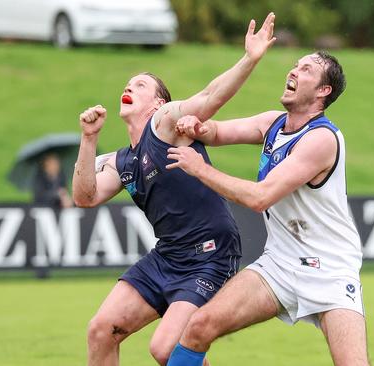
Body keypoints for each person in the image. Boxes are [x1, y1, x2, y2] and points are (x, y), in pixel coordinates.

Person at [72, 13, 276, 366]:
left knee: (166, 348)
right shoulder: (123, 161)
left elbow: (210, 97)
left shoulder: (165, 123)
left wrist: (249, 59)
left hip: (209, 253)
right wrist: (88, 139)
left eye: (140, 85)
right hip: (168, 255)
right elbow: (84, 197)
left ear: (157, 103)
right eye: (128, 83)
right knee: (101, 329)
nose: (130, 87)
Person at [165, 51, 369, 365]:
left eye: (306, 69)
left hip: (329, 269)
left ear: (322, 91)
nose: (294, 70)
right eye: (296, 65)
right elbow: (217, 132)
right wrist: (198, 127)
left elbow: (260, 197)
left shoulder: (321, 140)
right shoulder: (271, 123)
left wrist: (199, 169)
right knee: (199, 327)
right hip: (279, 265)